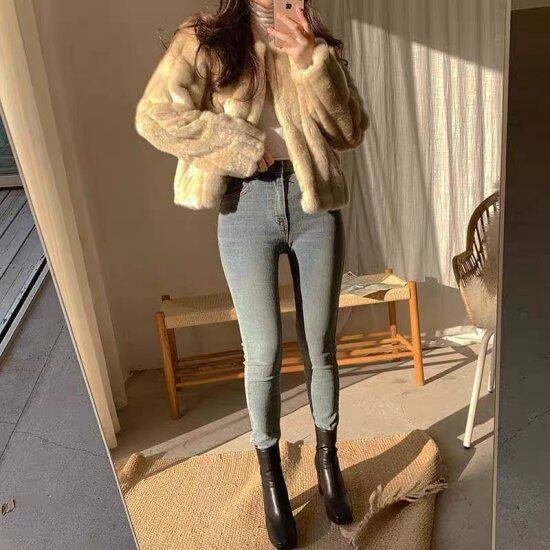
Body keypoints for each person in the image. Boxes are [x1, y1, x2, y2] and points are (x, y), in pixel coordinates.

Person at [135, 1, 368, 547]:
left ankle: (327, 463)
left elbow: (350, 130)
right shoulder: (208, 37)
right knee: (261, 352)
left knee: (321, 345)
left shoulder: (312, 39)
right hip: (245, 206)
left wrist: (311, 60)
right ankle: (271, 480)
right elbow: (154, 115)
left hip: (314, 206)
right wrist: (239, 144)